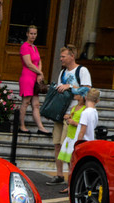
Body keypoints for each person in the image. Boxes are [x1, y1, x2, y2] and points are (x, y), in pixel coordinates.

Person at [46, 44, 91, 186]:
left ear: (72, 56)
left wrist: (70, 87)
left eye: (63, 56)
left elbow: (87, 90)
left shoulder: (82, 71)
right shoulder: (62, 73)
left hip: (73, 113)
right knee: (57, 143)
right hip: (60, 112)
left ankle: (71, 177)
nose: (61, 59)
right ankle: (59, 174)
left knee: (68, 146)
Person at [19, 25, 51, 135]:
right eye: (31, 33)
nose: (33, 36)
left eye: (35, 34)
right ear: (27, 34)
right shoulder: (25, 46)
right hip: (27, 76)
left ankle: (40, 127)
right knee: (26, 102)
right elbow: (28, 64)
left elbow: (39, 61)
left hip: (35, 76)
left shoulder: (34, 47)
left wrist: (39, 74)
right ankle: (22, 126)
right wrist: (40, 72)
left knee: (36, 104)